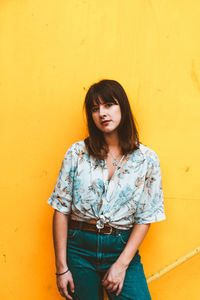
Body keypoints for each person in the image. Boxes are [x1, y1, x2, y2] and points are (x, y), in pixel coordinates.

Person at [47, 79, 166, 300]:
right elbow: (61, 210)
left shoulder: (147, 159)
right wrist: (61, 268)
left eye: (109, 105)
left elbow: (145, 217)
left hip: (120, 248)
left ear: (123, 107)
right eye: (95, 108)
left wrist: (121, 265)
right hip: (79, 248)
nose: (102, 113)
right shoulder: (77, 153)